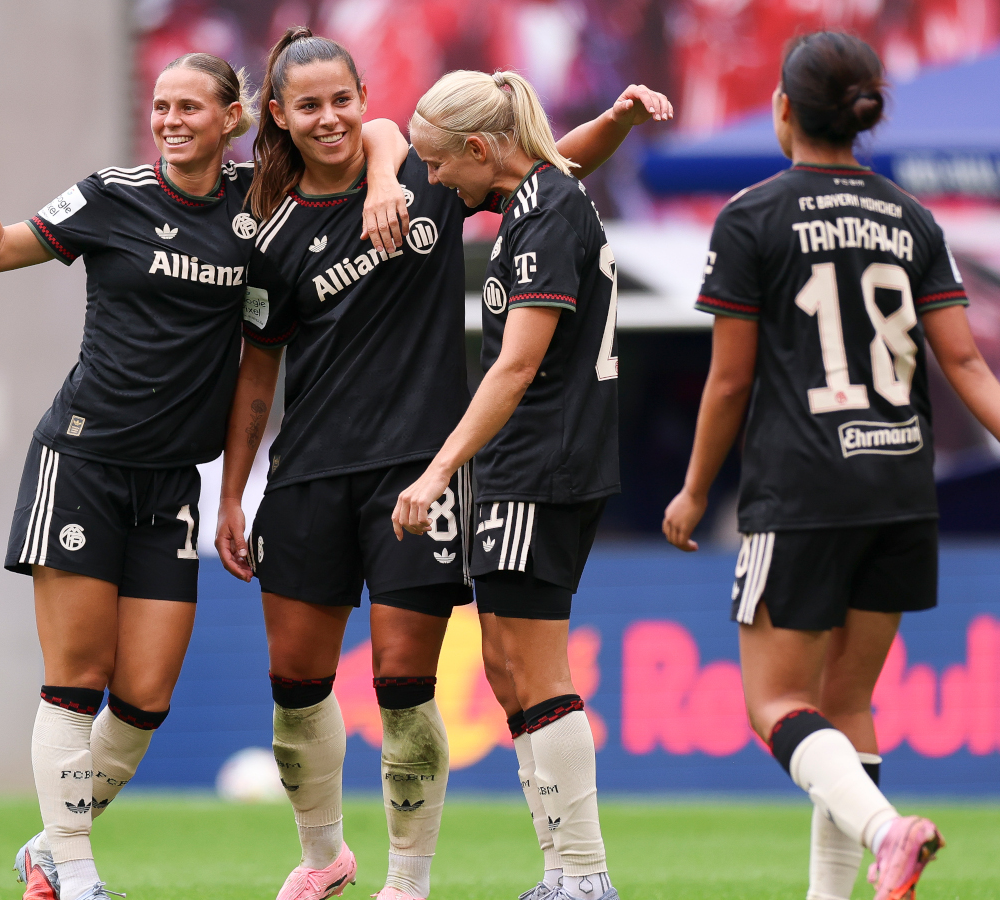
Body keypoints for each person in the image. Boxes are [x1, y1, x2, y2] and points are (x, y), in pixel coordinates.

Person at [213, 29, 671, 900]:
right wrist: (234, 491)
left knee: (408, 688)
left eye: (344, 99)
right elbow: (256, 376)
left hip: (426, 473)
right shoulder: (271, 235)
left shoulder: (430, 175)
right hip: (310, 473)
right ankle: (325, 860)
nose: (331, 118)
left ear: (364, 98)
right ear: (279, 116)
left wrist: (604, 127)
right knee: (300, 688)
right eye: (308, 105)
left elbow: (547, 167)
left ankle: (416, 882)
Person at [0, 53, 406, 900]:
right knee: (75, 680)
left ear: (233, 117)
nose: (171, 120)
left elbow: (372, 128)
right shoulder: (111, 194)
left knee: (146, 695)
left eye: (192, 106)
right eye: (161, 106)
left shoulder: (255, 203)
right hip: (81, 461)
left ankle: (50, 846)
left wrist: (382, 180)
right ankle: (75, 872)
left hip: (171, 488)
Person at [659, 32, 1000, 900]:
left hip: (802, 490)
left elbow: (730, 378)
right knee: (847, 705)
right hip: (899, 486)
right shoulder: (910, 218)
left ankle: (892, 831)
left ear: (783, 108)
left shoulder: (751, 217)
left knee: (775, 707)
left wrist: (697, 488)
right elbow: (963, 363)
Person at [389, 68, 643, 900]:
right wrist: (617, 118)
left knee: (535, 672)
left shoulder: (544, 218)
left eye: (436, 162)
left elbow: (516, 367)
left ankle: (582, 874)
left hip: (543, 464)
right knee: (505, 665)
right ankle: (565, 871)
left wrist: (436, 472)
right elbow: (565, 154)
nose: (432, 180)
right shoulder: (541, 194)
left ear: (478, 148)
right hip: (525, 467)